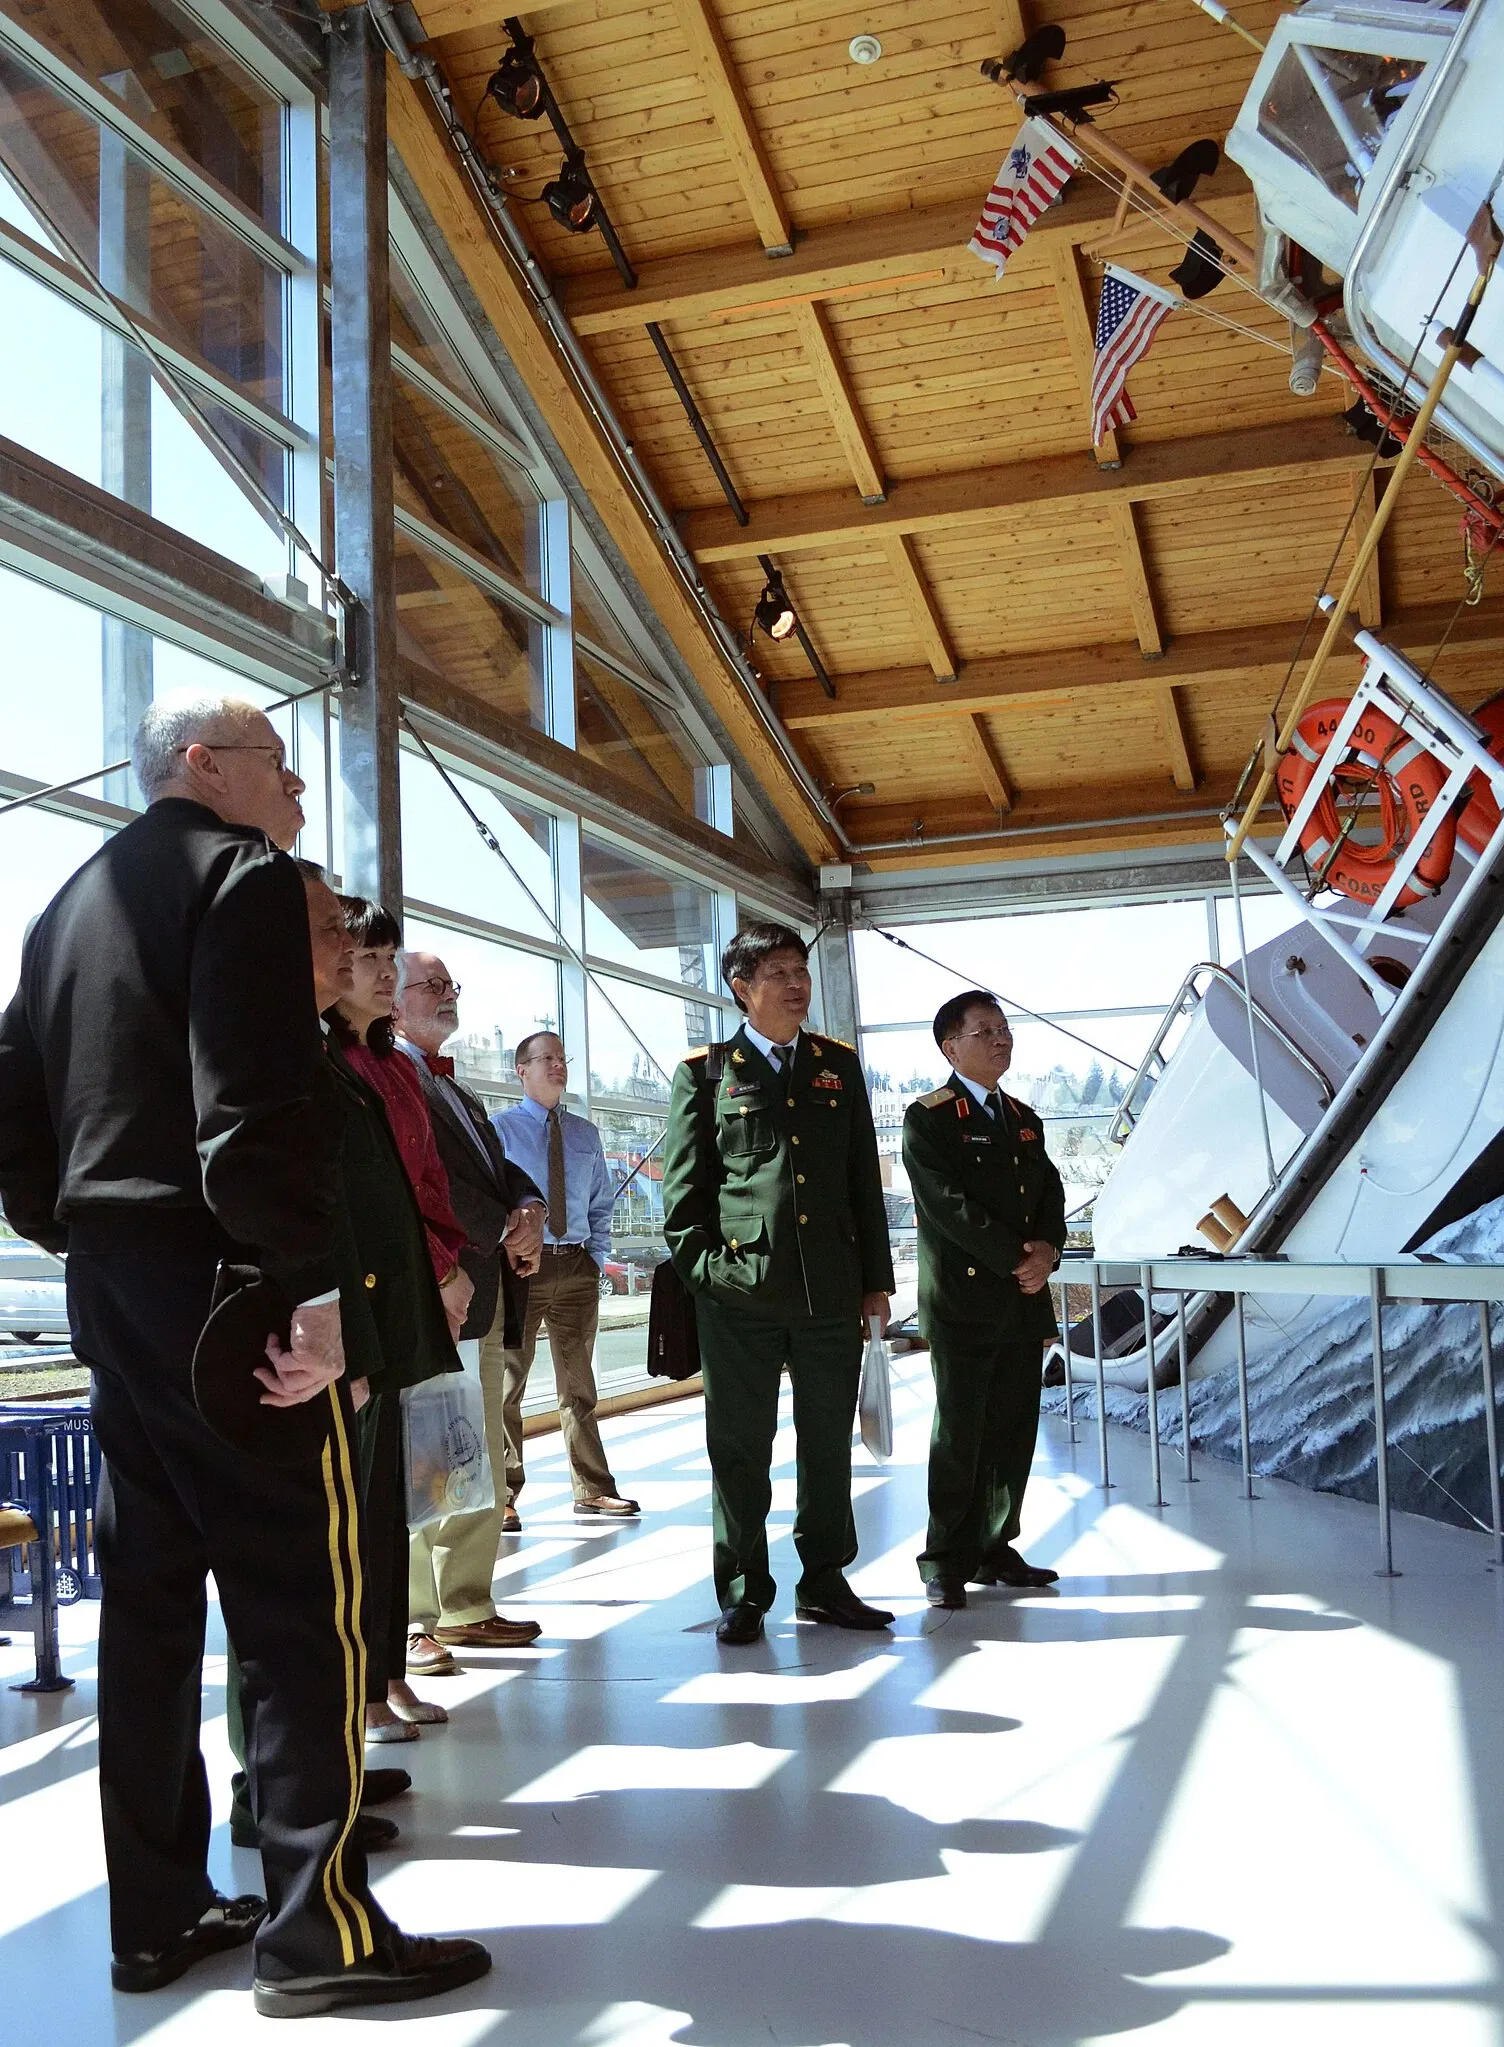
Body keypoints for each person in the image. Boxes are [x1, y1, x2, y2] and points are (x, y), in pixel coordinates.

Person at [0, 688, 488, 2016]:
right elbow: (253, 1104)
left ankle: (154, 1914)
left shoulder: (65, 905)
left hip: (110, 1285)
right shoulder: (251, 878)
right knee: (298, 1596)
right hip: (234, 1284)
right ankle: (317, 1927)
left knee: (152, 1611)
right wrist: (311, 1293)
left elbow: (18, 1123)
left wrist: (87, 1230)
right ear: (206, 766)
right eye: (280, 762)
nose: (300, 791)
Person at [662, 923, 894, 1646]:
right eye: (780, 971)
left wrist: (875, 1284)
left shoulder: (837, 1065)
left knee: (826, 1441)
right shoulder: (704, 1073)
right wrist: (712, 1276)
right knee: (739, 1449)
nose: (798, 983)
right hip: (739, 1298)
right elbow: (684, 1200)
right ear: (742, 984)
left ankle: (825, 1580)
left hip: (829, 1290)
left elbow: (863, 1182)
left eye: (802, 970)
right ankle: (743, 1589)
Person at [326, 897, 475, 1737]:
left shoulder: (390, 1064)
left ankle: (385, 1669)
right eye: (371, 958)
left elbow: (426, 1181)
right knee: (365, 1506)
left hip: (413, 1291)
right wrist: (438, 1269)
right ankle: (365, 1685)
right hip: (376, 1299)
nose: (387, 974)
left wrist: (447, 1266)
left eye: (391, 959)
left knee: (390, 1503)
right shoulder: (331, 1064)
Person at [393, 952, 549, 1653]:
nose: (448, 996)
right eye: (432, 986)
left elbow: (492, 1166)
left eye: (452, 985)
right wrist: (502, 1227)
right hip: (434, 1291)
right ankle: (414, 1616)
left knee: (473, 1448)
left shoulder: (453, 1088)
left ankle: (465, 1601)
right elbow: (421, 1182)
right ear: (390, 999)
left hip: (478, 1294)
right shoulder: (392, 1078)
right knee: (429, 1449)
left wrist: (528, 1203)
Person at [902, 991, 1068, 1609]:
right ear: (952, 1047)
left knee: (1012, 1430)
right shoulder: (930, 1117)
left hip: (1023, 1301)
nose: (1002, 1040)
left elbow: (1050, 1191)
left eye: (1005, 1029)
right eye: (986, 1032)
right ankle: (944, 1558)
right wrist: (1017, 1259)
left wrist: (1048, 1250)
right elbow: (948, 1207)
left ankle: (996, 1545)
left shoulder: (1024, 1115)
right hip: (965, 1300)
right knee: (960, 1434)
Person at [492, 1031, 640, 1525]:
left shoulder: (585, 1133)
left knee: (579, 1384)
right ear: (522, 1070)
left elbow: (601, 1200)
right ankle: (504, 1494)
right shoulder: (501, 1131)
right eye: (546, 1058)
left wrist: (596, 1257)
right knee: (510, 1382)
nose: (557, 1066)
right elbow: (497, 1200)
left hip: (576, 1266)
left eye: (562, 1058)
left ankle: (593, 1488)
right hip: (522, 1268)